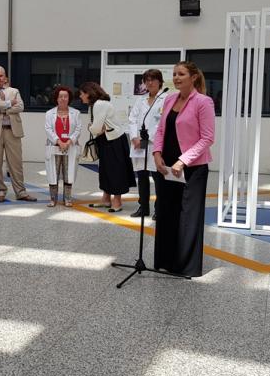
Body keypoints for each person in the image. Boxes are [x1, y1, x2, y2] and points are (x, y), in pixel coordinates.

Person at [152, 61, 215, 278]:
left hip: (191, 168)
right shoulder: (170, 99)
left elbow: (207, 138)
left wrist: (183, 161)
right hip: (167, 167)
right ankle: (165, 261)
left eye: (181, 74)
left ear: (194, 77)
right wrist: (157, 154)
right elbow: (160, 130)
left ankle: (185, 266)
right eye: (174, 74)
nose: (177, 78)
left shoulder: (203, 102)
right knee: (166, 213)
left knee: (187, 217)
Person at [0, 66, 37, 202]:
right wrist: (8, 104)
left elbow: (20, 106)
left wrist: (2, 108)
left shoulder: (14, 91)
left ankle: (21, 192)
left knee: (16, 164)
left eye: (1, 75)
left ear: (5, 76)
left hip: (13, 131)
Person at [78, 81, 136, 212]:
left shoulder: (100, 104)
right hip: (106, 140)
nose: (80, 97)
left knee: (115, 171)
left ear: (88, 93)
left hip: (114, 141)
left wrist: (93, 128)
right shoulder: (94, 105)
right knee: (105, 170)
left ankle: (117, 202)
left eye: (82, 94)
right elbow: (96, 128)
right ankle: (105, 199)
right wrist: (95, 128)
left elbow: (95, 128)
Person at [127, 68, 170, 219]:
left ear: (160, 81)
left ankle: (160, 209)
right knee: (142, 176)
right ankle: (143, 207)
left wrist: (149, 137)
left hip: (154, 144)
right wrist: (134, 137)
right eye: (147, 80)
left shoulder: (165, 99)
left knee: (158, 177)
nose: (150, 83)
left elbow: (164, 123)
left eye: (153, 79)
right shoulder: (140, 100)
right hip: (139, 144)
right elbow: (132, 119)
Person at [44, 86, 81, 207]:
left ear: (69, 98)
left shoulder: (76, 113)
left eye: (66, 96)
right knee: (53, 173)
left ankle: (67, 198)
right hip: (54, 147)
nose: (63, 99)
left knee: (68, 172)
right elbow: (48, 129)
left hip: (70, 147)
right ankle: (53, 199)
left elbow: (78, 129)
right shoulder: (50, 113)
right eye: (61, 96)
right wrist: (59, 142)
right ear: (56, 98)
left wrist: (68, 142)